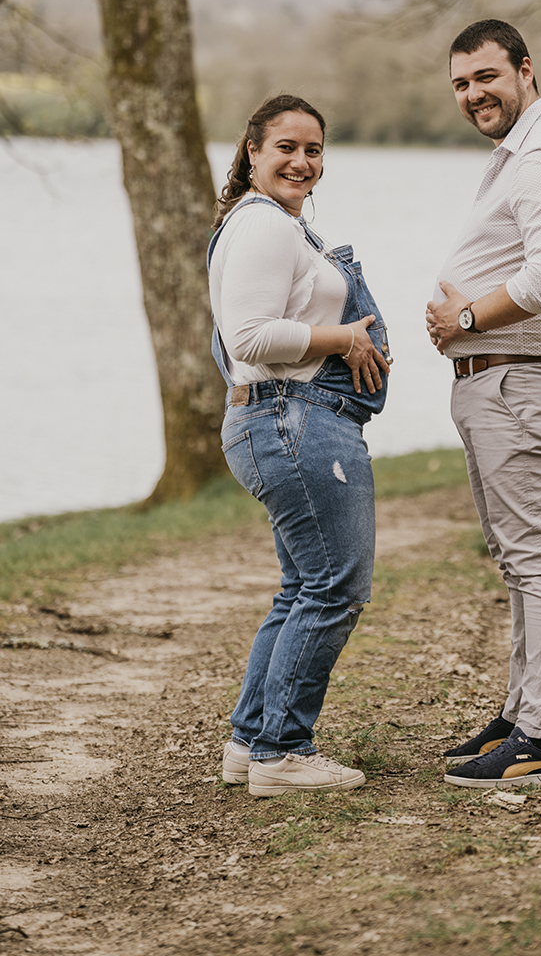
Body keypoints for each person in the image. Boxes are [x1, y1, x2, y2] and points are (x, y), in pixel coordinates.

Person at [425, 19, 541, 789]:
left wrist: (464, 319)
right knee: (518, 561)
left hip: (520, 383)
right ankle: (523, 712)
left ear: (525, 70)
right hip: (498, 383)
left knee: (538, 560)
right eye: (461, 83)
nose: (474, 94)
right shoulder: (519, 156)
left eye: (487, 77)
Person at [207, 93, 391, 797]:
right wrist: (343, 338)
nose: (301, 161)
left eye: (313, 150)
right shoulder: (264, 228)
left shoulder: (280, 226)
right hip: (291, 420)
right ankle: (283, 754)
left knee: (301, 587)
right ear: (253, 150)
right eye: (286, 147)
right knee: (334, 585)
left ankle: (252, 742)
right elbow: (250, 336)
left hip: (289, 418)